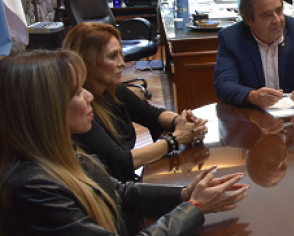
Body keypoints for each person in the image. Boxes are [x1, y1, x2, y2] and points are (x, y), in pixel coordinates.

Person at [0, 50, 249, 236]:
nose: (89, 96)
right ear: (43, 108)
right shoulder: (32, 187)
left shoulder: (60, 152)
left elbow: (119, 191)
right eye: (75, 92)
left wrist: (183, 195)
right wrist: (194, 208)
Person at [63, 23, 207, 182]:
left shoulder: (113, 90)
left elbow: (151, 114)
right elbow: (119, 160)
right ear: (88, 62)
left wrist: (179, 121)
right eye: (112, 56)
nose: (122, 63)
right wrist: (175, 140)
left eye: (120, 54)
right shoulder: (81, 111)